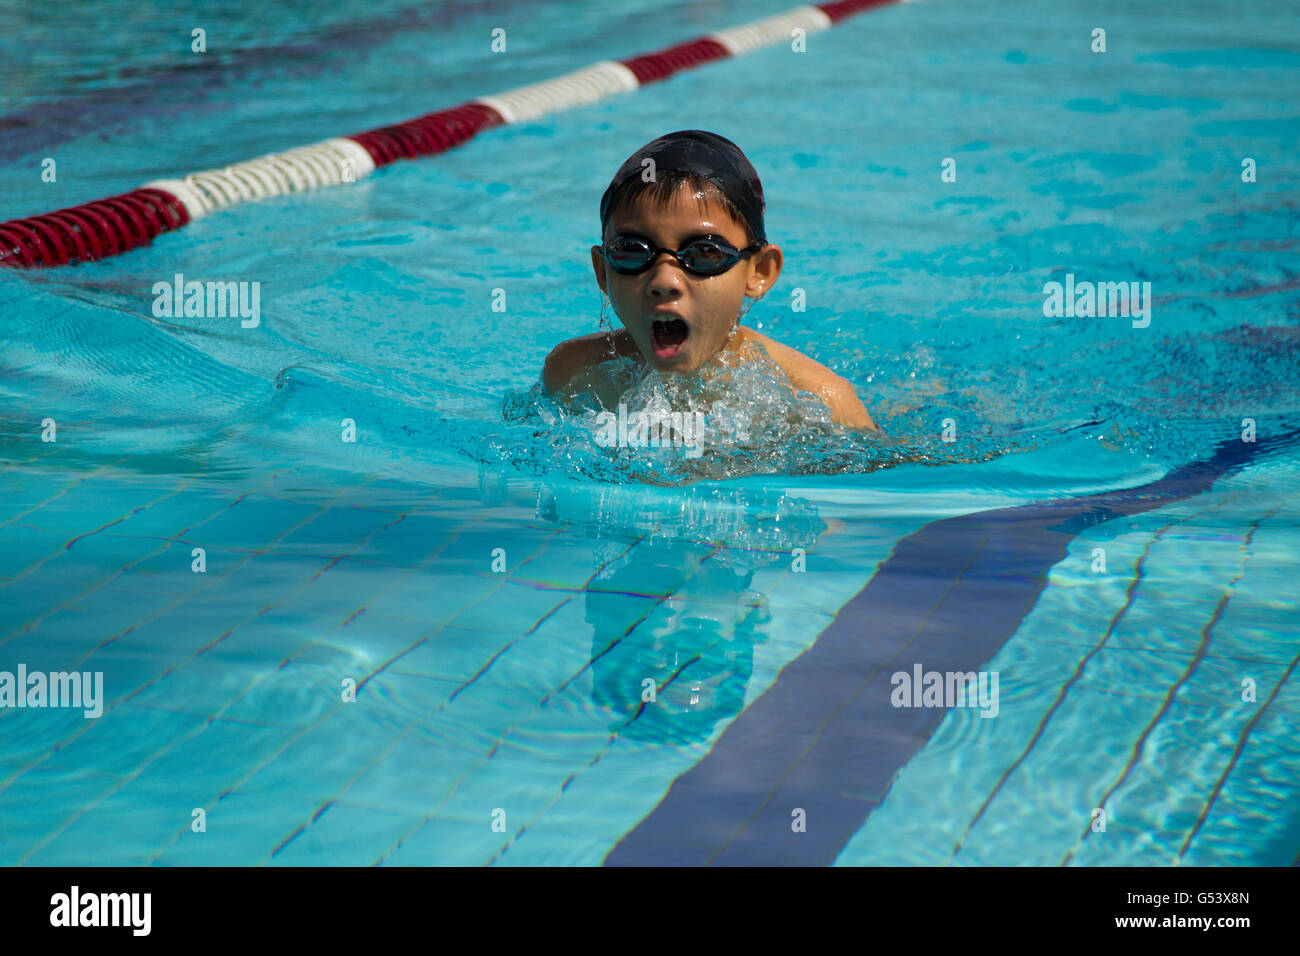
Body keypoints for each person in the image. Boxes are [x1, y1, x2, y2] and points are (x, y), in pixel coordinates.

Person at [542, 130, 878, 432]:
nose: (664, 280)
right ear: (603, 272)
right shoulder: (573, 375)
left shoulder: (822, 404)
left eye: (704, 253)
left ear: (759, 272)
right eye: (632, 250)